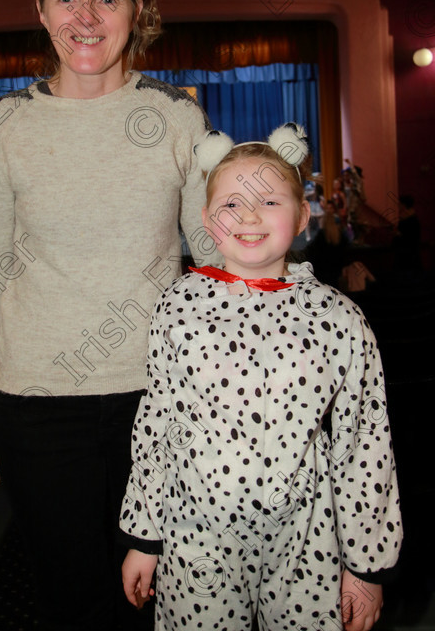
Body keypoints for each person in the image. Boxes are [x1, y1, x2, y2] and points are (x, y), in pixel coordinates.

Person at [0, 0, 218, 631]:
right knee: (71, 600)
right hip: (38, 405)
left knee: (162, 596)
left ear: (136, 8)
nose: (86, 17)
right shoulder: (5, 126)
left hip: (160, 397)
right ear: (41, 12)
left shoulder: (175, 116)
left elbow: (214, 260)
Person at [120, 124, 402, 631]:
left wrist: (366, 566)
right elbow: (155, 426)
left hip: (306, 542)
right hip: (195, 539)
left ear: (302, 217)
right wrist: (145, 539)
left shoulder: (338, 319)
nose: (248, 215)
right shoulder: (176, 308)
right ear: (206, 220)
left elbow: (364, 443)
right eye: (230, 204)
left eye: (269, 201)